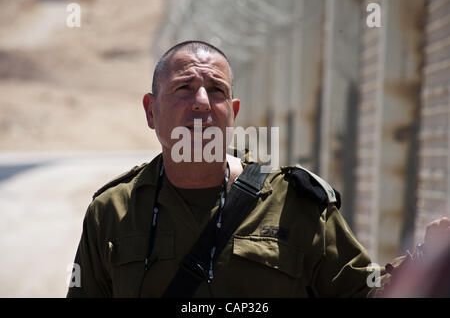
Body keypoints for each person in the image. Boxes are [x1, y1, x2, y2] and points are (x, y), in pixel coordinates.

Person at [67, 40, 449, 298]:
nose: (201, 102)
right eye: (184, 88)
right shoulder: (113, 212)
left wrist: (426, 257)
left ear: (232, 115)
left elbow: (361, 292)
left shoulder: (295, 203)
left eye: (216, 91)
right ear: (151, 111)